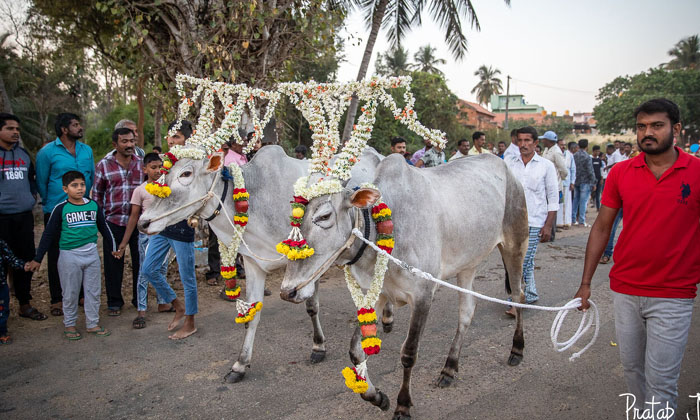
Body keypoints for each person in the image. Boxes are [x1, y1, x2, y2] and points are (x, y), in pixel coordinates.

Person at [574, 98, 698, 416]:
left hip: (673, 294)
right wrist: (585, 283)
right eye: (642, 126)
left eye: (657, 125)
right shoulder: (621, 173)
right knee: (633, 373)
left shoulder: (696, 172)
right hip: (626, 290)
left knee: (662, 383)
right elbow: (602, 227)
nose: (648, 133)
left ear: (676, 129)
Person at [27, 171, 117, 340]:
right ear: (65, 189)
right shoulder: (61, 208)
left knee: (93, 291)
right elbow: (48, 234)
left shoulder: (93, 205)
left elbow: (104, 228)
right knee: (70, 292)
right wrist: (38, 258)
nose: (79, 188)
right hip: (69, 256)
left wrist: (114, 248)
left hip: (91, 255)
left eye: (82, 185)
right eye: (74, 185)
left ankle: (92, 323)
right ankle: (70, 324)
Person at [140, 121, 199, 340]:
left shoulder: (193, 163)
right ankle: (178, 306)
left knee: (187, 278)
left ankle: (191, 322)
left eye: (176, 137)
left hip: (183, 226)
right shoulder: (167, 161)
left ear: (187, 139)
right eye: (169, 137)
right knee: (149, 269)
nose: (171, 141)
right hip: (163, 225)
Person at [36, 113, 95, 316]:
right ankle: (57, 299)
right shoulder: (47, 153)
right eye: (75, 125)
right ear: (64, 129)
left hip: (83, 210)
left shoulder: (86, 150)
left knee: (81, 249)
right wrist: (51, 203)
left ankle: (79, 294)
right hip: (57, 209)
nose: (80, 128)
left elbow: (91, 177)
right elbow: (41, 182)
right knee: (57, 254)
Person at [504, 126, 558, 316]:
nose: (523, 144)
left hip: (536, 220)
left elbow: (553, 197)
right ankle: (531, 292)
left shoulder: (546, 166)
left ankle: (515, 301)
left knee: (522, 261)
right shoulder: (510, 164)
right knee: (518, 259)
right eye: (520, 141)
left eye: (527, 141)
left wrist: (548, 225)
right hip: (513, 222)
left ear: (536, 143)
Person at [116, 153, 173, 329]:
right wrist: (124, 242)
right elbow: (134, 217)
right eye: (153, 167)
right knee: (144, 271)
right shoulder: (140, 190)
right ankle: (141, 309)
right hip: (146, 236)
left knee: (162, 268)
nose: (157, 171)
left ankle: (163, 302)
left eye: (159, 167)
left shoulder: (168, 187)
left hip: (165, 235)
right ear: (145, 169)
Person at [0, 113, 47, 321]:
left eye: (17, 129)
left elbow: (32, 181)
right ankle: (3, 308)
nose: (16, 132)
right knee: (3, 262)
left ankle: (24, 303)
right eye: (10, 128)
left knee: (25, 258)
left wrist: (31, 197)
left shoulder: (23, 155)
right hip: (1, 218)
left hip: (24, 217)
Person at [92, 127, 143, 316]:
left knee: (140, 261)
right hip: (113, 221)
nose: (129, 145)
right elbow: (97, 196)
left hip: (138, 222)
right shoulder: (104, 165)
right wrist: (101, 223)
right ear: (115, 144)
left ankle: (140, 300)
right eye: (125, 141)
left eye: (131, 141)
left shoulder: (141, 163)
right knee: (113, 263)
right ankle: (114, 301)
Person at [540, 131, 568, 240]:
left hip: (555, 185)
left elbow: (563, 170)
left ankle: (551, 235)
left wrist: (559, 179)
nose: (542, 141)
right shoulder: (547, 150)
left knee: (552, 209)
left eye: (544, 139)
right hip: (545, 185)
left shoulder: (556, 152)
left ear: (549, 140)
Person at [1, 239, 28, 344]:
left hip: (1, 284)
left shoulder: (1, 244)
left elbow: (11, 259)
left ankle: (2, 332)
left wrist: (24, 265)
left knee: (2, 310)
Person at [571, 139, 596, 227]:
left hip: (576, 180)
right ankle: (582, 220)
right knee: (583, 201)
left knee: (575, 200)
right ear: (587, 146)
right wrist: (593, 182)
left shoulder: (574, 155)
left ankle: (573, 219)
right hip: (585, 181)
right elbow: (590, 170)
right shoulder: (587, 156)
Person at [556, 138, 576, 229]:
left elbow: (573, 169)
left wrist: (572, 182)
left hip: (567, 182)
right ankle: (558, 223)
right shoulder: (555, 154)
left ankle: (566, 222)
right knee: (558, 203)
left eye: (564, 145)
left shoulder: (569, 155)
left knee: (567, 203)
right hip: (557, 182)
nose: (563, 146)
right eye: (561, 145)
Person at [591, 145, 604, 211]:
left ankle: (598, 207)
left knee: (598, 193)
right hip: (592, 179)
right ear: (593, 151)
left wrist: (602, 178)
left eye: (599, 151)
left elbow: (601, 169)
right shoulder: (590, 159)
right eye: (596, 151)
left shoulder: (599, 160)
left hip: (598, 178)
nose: (597, 153)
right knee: (590, 193)